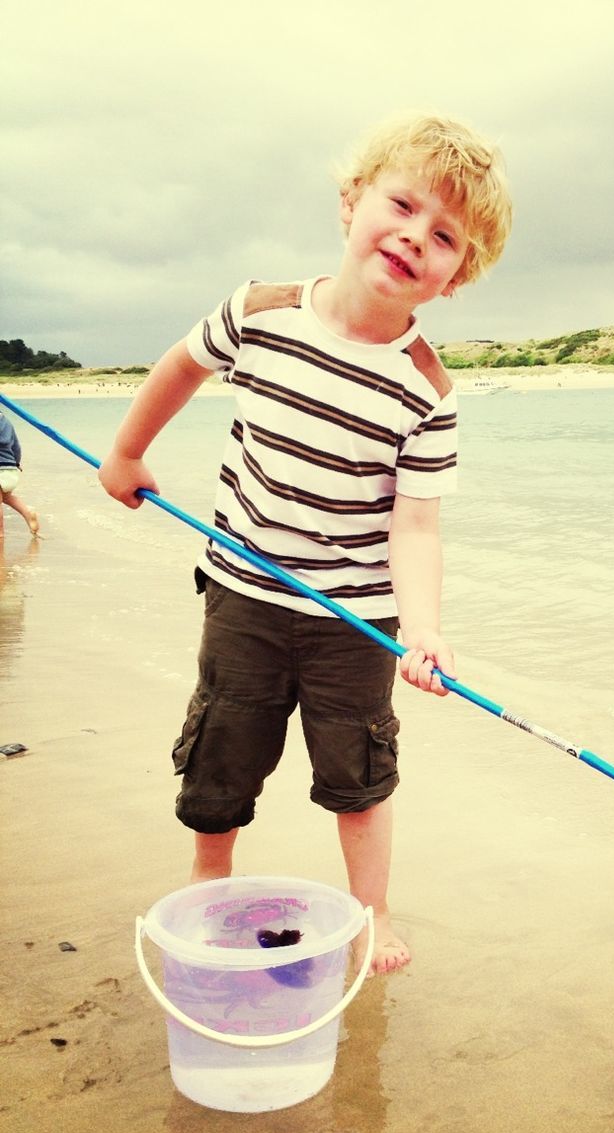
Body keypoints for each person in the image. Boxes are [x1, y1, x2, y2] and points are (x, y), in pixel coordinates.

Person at [98, 114, 512, 974]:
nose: (413, 237)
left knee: (359, 777)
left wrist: (423, 628)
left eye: (443, 237)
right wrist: (129, 452)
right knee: (223, 753)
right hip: (243, 596)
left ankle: (372, 912)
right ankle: (209, 888)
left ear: (454, 275)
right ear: (352, 200)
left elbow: (416, 524)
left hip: (355, 620)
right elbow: (181, 366)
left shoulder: (426, 388)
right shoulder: (261, 311)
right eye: (401, 205)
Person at [0, 409, 40, 539]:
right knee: (7, 497)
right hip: (10, 469)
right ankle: (27, 512)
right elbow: (16, 447)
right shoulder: (7, 423)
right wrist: (16, 463)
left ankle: (0, 533)